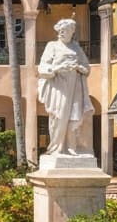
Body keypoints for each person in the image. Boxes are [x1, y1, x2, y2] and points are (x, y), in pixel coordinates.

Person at [37, 18, 95, 156]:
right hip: (59, 87)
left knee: (74, 116)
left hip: (75, 87)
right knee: (59, 116)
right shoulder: (52, 46)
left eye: (64, 30)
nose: (61, 33)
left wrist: (78, 67)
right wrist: (58, 68)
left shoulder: (76, 48)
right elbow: (43, 68)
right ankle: (56, 147)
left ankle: (71, 147)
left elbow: (87, 68)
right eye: (60, 31)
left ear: (71, 32)